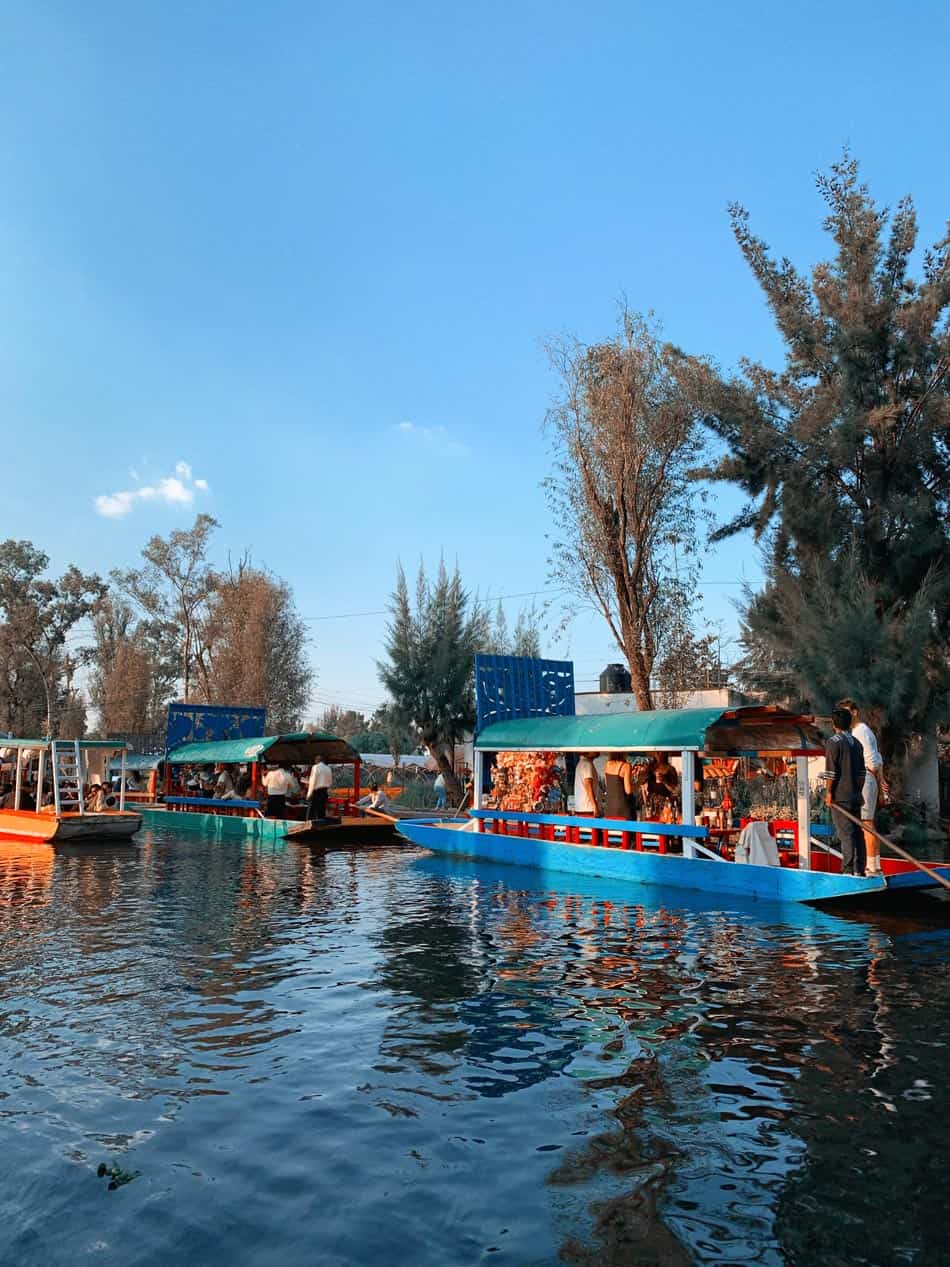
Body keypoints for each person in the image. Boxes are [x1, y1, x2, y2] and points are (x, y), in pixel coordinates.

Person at [837, 698, 887, 878]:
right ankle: (872, 863)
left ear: (854, 712)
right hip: (868, 777)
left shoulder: (861, 732)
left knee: (866, 823)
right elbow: (878, 759)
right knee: (865, 822)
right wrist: (880, 784)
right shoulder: (862, 731)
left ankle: (873, 866)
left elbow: (873, 761)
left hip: (864, 776)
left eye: (846, 713)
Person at [823, 707, 867, 876]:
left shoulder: (833, 742)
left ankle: (848, 870)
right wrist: (860, 792)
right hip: (855, 795)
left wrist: (828, 793)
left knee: (845, 833)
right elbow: (862, 774)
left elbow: (831, 773)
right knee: (858, 832)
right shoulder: (857, 744)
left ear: (834, 724)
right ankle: (860, 869)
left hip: (840, 797)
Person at [603, 752, 636, 819]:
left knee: (610, 829)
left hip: (609, 808)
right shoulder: (626, 766)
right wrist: (640, 780)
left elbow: (608, 784)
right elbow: (628, 791)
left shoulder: (607, 764)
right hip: (622, 809)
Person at [306, 755, 333, 821]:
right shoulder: (328, 768)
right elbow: (330, 782)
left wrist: (309, 794)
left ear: (317, 760)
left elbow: (313, 780)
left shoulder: (315, 767)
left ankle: (309, 824)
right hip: (324, 791)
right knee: (321, 810)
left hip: (316, 791)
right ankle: (321, 825)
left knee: (312, 810)